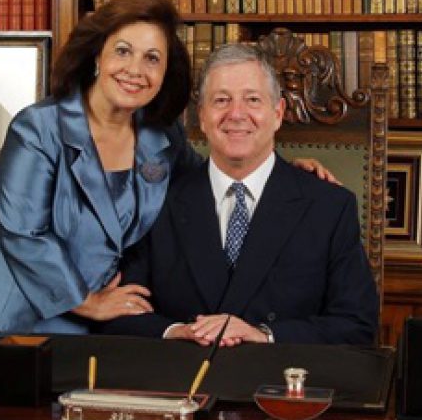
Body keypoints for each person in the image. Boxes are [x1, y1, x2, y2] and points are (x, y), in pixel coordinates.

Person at [0, 0, 331, 336]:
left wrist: (283, 175)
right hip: (4, 316)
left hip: (89, 322)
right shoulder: (38, 129)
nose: (135, 70)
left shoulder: (161, 136)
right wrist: (91, 303)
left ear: (165, 74)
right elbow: (22, 234)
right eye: (122, 51)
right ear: (97, 56)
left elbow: (208, 180)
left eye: (152, 58)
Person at [101, 43, 379, 346]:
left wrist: (264, 336)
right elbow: (119, 312)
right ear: (201, 117)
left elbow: (356, 325)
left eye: (252, 100)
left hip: (280, 383)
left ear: (277, 113)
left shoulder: (330, 207)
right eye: (221, 100)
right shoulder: (156, 202)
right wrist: (177, 332)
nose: (236, 114)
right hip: (182, 381)